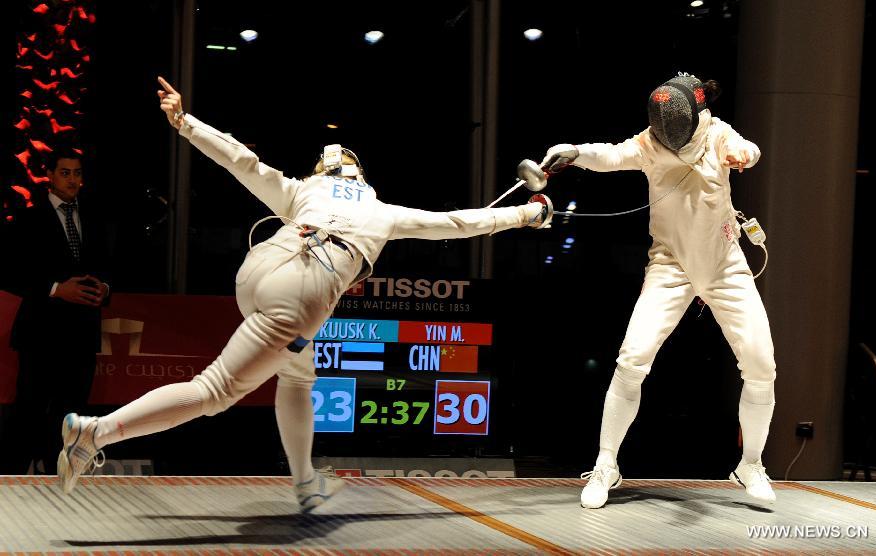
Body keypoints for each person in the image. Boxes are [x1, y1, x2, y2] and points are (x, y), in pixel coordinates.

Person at [56, 76, 552, 511]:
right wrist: (529, 213)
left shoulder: (302, 191)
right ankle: (95, 432)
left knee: (297, 373)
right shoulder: (382, 212)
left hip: (257, 270)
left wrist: (186, 122)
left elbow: (242, 162)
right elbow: (463, 223)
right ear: (361, 176)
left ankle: (305, 482)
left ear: (324, 172)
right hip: (303, 289)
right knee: (214, 391)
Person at [542, 73, 776, 508]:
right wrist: (575, 153)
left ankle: (751, 464)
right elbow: (611, 156)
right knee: (632, 359)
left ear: (693, 117)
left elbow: (749, 150)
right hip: (670, 267)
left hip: (726, 266)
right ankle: (606, 464)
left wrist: (745, 153)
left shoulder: (717, 133)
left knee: (761, 366)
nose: (668, 138)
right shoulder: (650, 143)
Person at [0, 147, 110, 475]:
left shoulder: (95, 218)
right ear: (49, 175)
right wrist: (56, 289)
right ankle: (10, 482)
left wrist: (106, 289)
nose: (72, 180)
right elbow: (9, 271)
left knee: (72, 414)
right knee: (30, 410)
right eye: (65, 172)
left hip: (83, 331)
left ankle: (62, 482)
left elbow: (109, 267)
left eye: (77, 173)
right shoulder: (28, 218)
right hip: (41, 332)